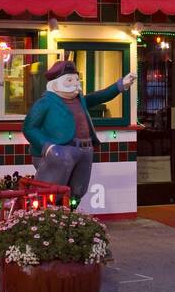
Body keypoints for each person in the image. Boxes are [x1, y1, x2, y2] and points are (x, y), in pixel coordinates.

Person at [24, 60, 136, 208]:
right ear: (55, 83)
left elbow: (99, 97)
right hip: (60, 151)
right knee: (49, 191)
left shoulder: (79, 100)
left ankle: (69, 217)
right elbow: (29, 127)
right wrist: (48, 146)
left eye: (76, 79)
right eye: (69, 80)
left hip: (84, 149)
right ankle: (41, 218)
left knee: (77, 190)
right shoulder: (45, 102)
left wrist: (121, 85)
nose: (75, 83)